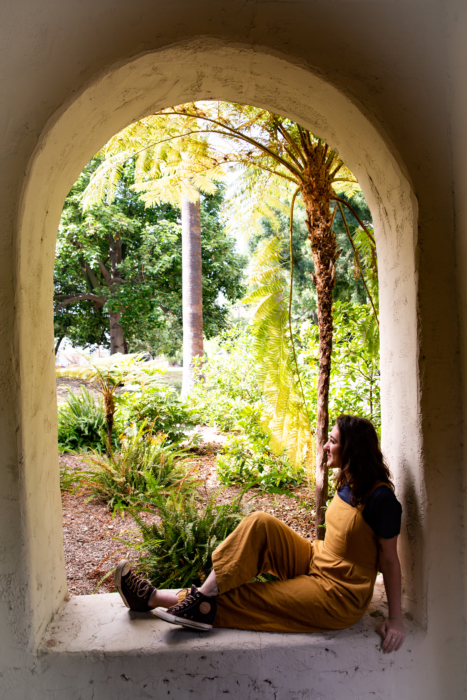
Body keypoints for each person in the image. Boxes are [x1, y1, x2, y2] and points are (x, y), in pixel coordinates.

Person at [115, 415, 405, 654]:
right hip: (318, 559)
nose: (326, 445)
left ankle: (154, 598)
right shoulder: (348, 482)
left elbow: (390, 562)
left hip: (338, 594)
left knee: (251, 596)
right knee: (260, 522)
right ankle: (202, 595)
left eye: (333, 440)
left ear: (352, 450)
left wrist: (395, 619)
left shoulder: (381, 500)